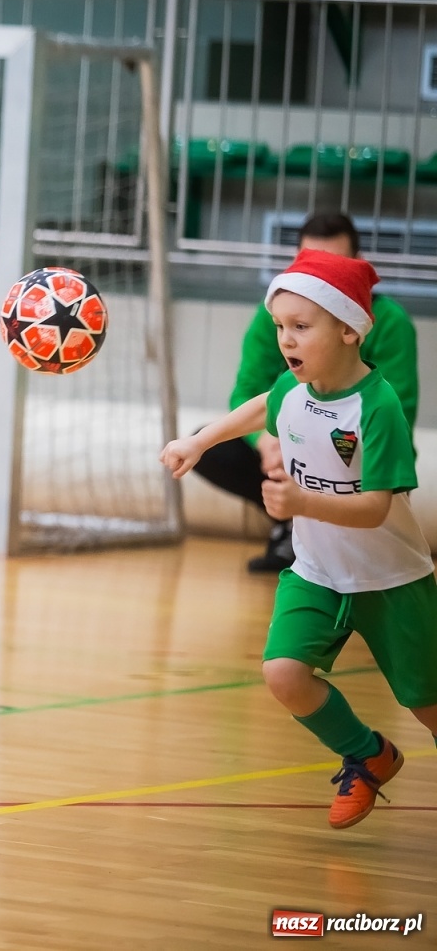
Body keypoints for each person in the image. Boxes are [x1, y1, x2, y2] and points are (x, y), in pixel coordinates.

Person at [162, 247, 437, 830]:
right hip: (315, 572)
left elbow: (374, 510)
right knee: (284, 674)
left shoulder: (377, 407)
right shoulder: (294, 389)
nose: (286, 339)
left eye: (301, 327)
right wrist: (199, 442)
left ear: (347, 330)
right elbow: (260, 407)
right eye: (280, 326)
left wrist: (301, 503)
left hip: (392, 581)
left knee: (426, 703)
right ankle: (368, 754)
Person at [193, 212, 418, 572]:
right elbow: (250, 393)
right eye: (310, 261)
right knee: (212, 445)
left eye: (333, 264)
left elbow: (399, 413)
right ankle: (290, 522)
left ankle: (313, 521)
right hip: (291, 443)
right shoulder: (278, 316)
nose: (287, 337)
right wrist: (266, 442)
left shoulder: (390, 323)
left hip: (359, 449)